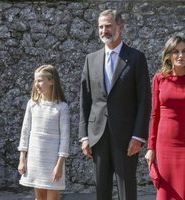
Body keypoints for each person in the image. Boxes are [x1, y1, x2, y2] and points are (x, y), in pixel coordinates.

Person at [79, 9, 151, 200]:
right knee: (101, 191)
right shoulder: (90, 60)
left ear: (121, 27)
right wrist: (84, 136)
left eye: (108, 26)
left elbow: (144, 100)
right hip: (98, 136)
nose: (104, 30)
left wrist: (138, 136)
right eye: (100, 27)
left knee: (127, 190)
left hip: (127, 137)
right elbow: (85, 100)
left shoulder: (136, 58)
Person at [18, 64, 70, 200]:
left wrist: (59, 165)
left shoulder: (61, 107)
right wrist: (22, 159)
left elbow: (65, 138)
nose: (37, 84)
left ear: (51, 81)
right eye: (35, 81)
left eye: (40, 80)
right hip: (35, 158)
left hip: (53, 161)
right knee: (39, 198)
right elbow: (25, 131)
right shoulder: (32, 104)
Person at [145, 35, 185, 200]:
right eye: (176, 51)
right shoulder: (159, 78)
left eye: (184, 51)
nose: (181, 55)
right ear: (169, 55)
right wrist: (150, 147)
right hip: (165, 144)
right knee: (166, 191)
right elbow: (154, 114)